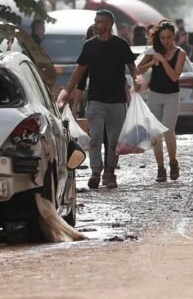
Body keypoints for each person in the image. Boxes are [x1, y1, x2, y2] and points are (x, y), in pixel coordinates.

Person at [58, 10, 140, 189]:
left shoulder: (121, 45)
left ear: (109, 25)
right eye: (95, 21)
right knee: (95, 137)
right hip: (95, 100)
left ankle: (110, 172)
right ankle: (95, 172)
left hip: (117, 101)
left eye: (100, 21)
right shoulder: (89, 46)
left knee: (113, 140)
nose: (96, 24)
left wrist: (137, 78)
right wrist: (67, 94)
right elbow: (79, 72)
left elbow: (132, 67)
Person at [137, 20, 186, 182]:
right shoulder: (152, 51)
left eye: (169, 37)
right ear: (158, 37)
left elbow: (174, 76)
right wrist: (152, 61)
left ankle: (173, 162)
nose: (166, 41)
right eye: (163, 37)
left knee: (168, 130)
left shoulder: (180, 53)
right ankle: (160, 168)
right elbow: (138, 70)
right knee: (155, 133)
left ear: (174, 37)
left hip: (171, 96)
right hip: (155, 95)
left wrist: (163, 60)